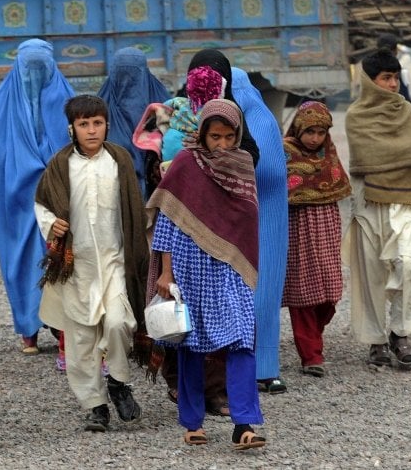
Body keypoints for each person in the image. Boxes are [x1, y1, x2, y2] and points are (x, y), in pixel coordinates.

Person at [147, 98, 266, 451]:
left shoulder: (243, 165)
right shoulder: (186, 163)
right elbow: (168, 219)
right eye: (215, 136)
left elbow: (247, 220)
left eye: (230, 137)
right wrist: (166, 274)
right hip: (189, 266)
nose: (223, 145)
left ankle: (243, 424)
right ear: (202, 133)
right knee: (191, 345)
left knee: (242, 339)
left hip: (230, 267)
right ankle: (192, 421)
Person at [34, 94, 149, 432]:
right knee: (81, 340)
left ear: (106, 125)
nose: (91, 130)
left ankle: (117, 381)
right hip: (77, 265)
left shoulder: (120, 160)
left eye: (97, 123)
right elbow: (42, 203)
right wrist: (50, 223)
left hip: (115, 262)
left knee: (117, 322)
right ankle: (95, 405)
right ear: (72, 128)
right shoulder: (60, 164)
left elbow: (134, 205)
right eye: (84, 124)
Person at [344, 49, 411, 371]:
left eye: (395, 78)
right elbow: (368, 158)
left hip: (406, 203)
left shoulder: (406, 111)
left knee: (409, 265)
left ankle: (400, 334)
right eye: (386, 78)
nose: (392, 84)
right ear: (371, 81)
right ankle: (377, 341)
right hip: (370, 203)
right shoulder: (356, 116)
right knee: (372, 274)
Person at [0, 38, 74, 355]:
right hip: (18, 198)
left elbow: (78, 142)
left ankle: (63, 327)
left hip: (58, 197)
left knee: (63, 255)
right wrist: (23, 167)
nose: (34, 77)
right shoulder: (6, 97)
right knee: (23, 259)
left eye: (41, 69)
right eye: (28, 69)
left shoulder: (66, 98)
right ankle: (28, 328)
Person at [229, 67, 290, 395]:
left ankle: (265, 367)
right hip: (235, 222)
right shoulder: (224, 120)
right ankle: (239, 367)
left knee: (263, 293)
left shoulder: (261, 122)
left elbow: (267, 171)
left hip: (266, 220)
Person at [282, 101, 351, 377]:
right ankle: (311, 354)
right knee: (303, 293)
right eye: (310, 131)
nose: (315, 138)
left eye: (321, 132)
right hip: (297, 228)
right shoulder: (286, 152)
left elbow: (337, 187)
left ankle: (313, 340)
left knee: (330, 292)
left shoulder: (328, 154)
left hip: (326, 226)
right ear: (299, 129)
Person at [97, 46, 171, 196]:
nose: (128, 82)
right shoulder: (97, 112)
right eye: (122, 75)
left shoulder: (164, 106)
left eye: (135, 74)